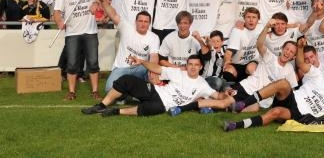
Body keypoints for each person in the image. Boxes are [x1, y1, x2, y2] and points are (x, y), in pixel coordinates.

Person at [169, 21, 298, 115]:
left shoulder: (289, 71)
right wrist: (266, 27)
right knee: (223, 102)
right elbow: (259, 43)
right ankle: (182, 108)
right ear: (282, 49)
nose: (288, 53)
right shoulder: (269, 56)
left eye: (292, 52)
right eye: (287, 49)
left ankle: (211, 107)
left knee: (254, 108)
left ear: (293, 57)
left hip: (260, 98)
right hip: (246, 88)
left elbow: (289, 92)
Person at [222, 54, 324, 131]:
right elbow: (300, 64)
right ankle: (241, 105)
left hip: (299, 114)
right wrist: (300, 47)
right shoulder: (318, 74)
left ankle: (235, 125)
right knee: (283, 83)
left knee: (275, 112)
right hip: (292, 97)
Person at [54, 0, 114, 101]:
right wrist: (59, 22)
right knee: (72, 64)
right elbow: (56, 12)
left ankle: (95, 92)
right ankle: (72, 93)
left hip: (90, 32)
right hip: (72, 33)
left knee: (93, 63)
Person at [81, 55, 223, 117]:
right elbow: (156, 68)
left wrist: (227, 93)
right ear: (186, 65)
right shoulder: (177, 72)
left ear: (200, 67)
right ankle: (102, 105)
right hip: (155, 91)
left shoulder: (203, 84)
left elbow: (217, 96)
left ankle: (116, 112)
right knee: (126, 79)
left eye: (196, 65)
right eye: (190, 64)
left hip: (163, 105)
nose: (192, 67)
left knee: (151, 109)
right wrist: (142, 61)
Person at [100, 0, 159, 93]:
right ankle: (130, 93)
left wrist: (152, 71)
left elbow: (154, 57)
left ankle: (145, 93)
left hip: (140, 68)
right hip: (121, 67)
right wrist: (102, 1)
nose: (143, 24)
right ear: (135, 22)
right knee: (109, 89)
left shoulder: (154, 37)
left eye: (146, 21)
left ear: (149, 23)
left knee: (152, 71)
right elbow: (113, 15)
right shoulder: (127, 28)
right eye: (140, 21)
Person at [223, 7, 263, 82]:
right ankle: (232, 89)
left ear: (258, 20)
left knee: (251, 69)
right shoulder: (237, 30)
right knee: (228, 72)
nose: (251, 20)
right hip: (236, 64)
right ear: (244, 18)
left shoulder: (262, 29)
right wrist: (227, 62)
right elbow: (228, 52)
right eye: (248, 17)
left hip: (251, 63)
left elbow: (279, 26)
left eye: (254, 17)